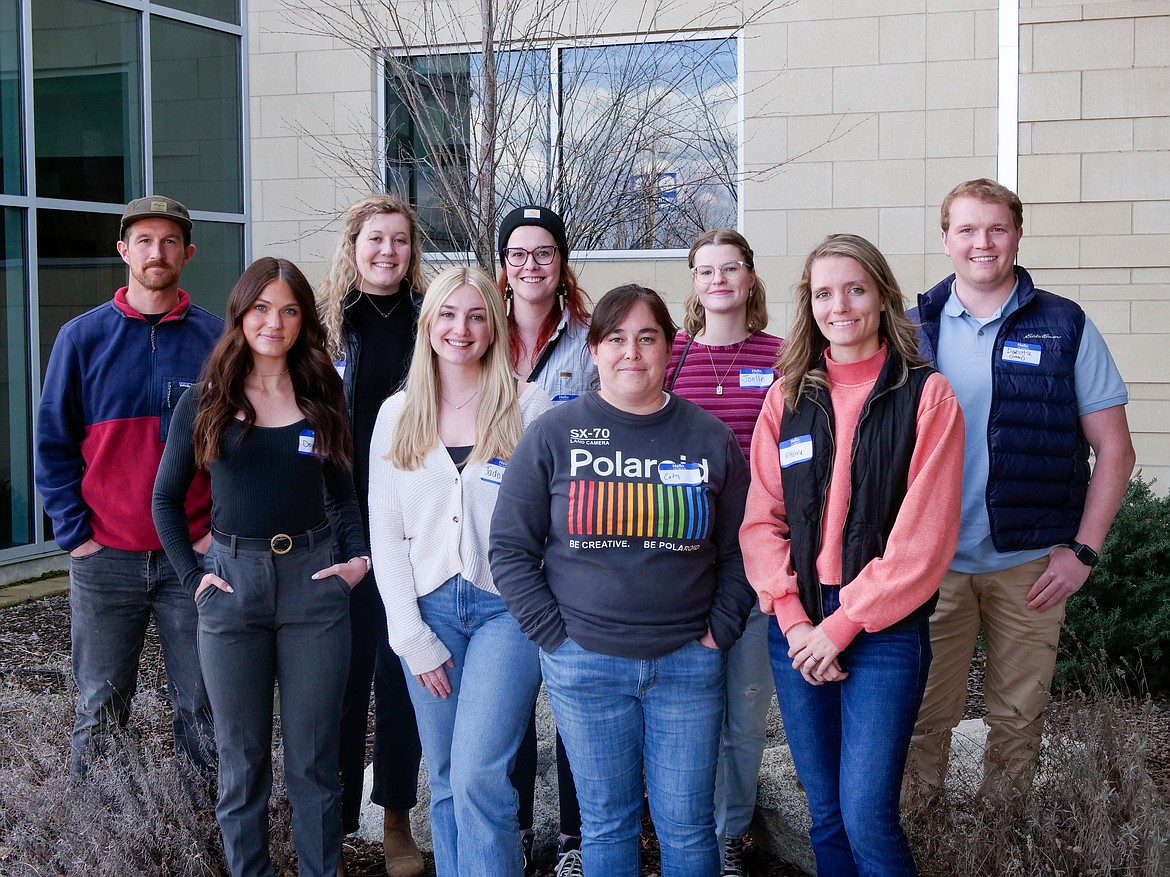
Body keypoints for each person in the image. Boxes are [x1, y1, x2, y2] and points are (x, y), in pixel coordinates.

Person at [491, 284, 755, 877]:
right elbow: (509, 548)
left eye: (647, 338)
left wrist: (720, 629)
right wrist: (552, 635)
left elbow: (743, 548)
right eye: (615, 338)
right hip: (584, 663)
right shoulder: (554, 435)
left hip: (688, 661)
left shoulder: (709, 437)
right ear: (594, 349)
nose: (631, 352)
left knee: (687, 828)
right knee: (606, 826)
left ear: (669, 349)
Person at [740, 234, 964, 876]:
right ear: (809, 306)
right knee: (827, 813)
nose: (840, 305)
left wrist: (839, 628)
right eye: (823, 293)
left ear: (883, 296)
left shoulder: (927, 396)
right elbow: (761, 520)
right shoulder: (787, 398)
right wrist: (795, 621)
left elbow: (922, 543)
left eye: (855, 289)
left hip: (883, 630)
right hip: (799, 627)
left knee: (867, 813)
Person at [906, 179, 1136, 799]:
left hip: (1030, 563)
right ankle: (918, 842)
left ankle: (1001, 845)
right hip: (932, 566)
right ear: (946, 239)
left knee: (1018, 721)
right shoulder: (910, 330)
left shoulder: (1063, 324)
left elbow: (1115, 449)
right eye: (967, 229)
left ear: (1017, 235)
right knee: (920, 722)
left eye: (997, 228)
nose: (983, 243)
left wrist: (1082, 551)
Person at [153, 257, 369, 877]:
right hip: (232, 587)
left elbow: (345, 492)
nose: (275, 322)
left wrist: (357, 561)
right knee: (240, 762)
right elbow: (166, 500)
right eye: (262, 308)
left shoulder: (321, 390)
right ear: (242, 314)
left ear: (304, 320)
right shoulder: (207, 397)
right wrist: (195, 581)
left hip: (314, 586)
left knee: (313, 762)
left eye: (290, 310)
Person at [367, 265, 552, 877]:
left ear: (494, 327)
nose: (461, 328)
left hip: (507, 610)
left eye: (476, 315)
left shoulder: (529, 406)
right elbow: (387, 534)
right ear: (428, 325)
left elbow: (548, 523)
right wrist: (408, 633)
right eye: (448, 314)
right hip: (429, 613)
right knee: (443, 776)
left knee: (479, 773)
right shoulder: (396, 415)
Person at [35, 194, 220, 778]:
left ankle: (207, 839)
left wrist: (216, 531)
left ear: (188, 253)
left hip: (189, 558)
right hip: (105, 558)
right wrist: (75, 533)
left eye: (169, 241)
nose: (156, 252)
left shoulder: (217, 341)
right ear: (123, 251)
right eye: (144, 241)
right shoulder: (81, 338)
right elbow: (53, 443)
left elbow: (234, 449)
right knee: (99, 707)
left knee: (201, 706)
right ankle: (100, 839)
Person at [667, 228, 782, 877]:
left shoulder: (783, 355)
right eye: (705, 270)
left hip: (760, 560)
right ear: (694, 281)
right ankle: (692, 834)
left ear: (749, 276)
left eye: (729, 268)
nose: (717, 280)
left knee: (743, 710)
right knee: (690, 712)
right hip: (684, 563)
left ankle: (730, 834)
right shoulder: (672, 357)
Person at [318, 193, 427, 876]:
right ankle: (328, 819)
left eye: (400, 241)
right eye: (375, 240)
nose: (388, 251)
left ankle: (394, 819)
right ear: (353, 245)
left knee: (400, 672)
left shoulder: (429, 323)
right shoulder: (326, 329)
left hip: (410, 533)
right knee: (339, 678)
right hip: (338, 530)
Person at [496, 204, 595, 876]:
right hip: (494, 543)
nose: (531, 265)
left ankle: (576, 839)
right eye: (518, 254)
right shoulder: (474, 332)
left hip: (571, 545)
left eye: (544, 253)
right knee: (505, 696)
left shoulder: (591, 339)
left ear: (561, 264)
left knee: (572, 697)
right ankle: (516, 825)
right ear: (503, 267)